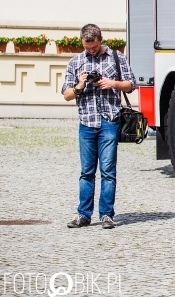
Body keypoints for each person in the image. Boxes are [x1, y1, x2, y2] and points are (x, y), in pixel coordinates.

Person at [62, 24, 136, 229]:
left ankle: (106, 215)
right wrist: (80, 85)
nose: (91, 51)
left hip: (109, 121)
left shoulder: (116, 57)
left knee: (108, 171)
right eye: (87, 48)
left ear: (100, 40)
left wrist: (112, 83)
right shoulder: (76, 61)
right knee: (86, 172)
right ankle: (83, 215)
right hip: (86, 122)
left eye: (94, 47)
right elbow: (66, 94)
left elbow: (131, 84)